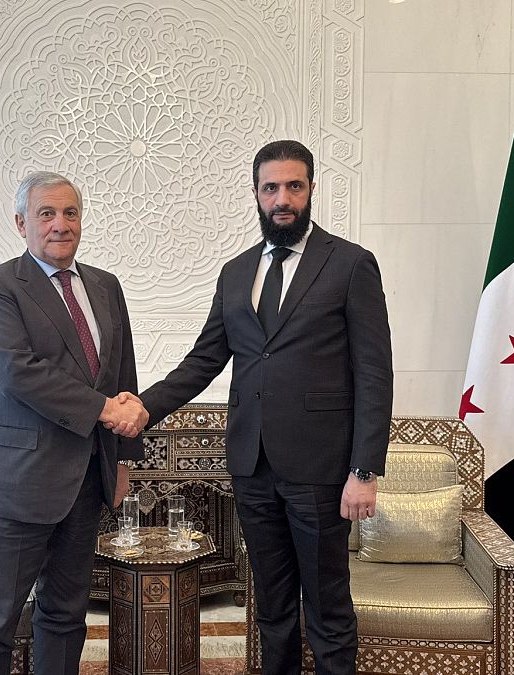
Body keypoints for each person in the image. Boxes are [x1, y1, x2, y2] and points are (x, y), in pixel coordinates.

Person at [138, 140, 392, 675]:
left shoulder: (350, 264)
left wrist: (364, 470)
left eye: (293, 186)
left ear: (311, 190)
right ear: (255, 194)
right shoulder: (236, 272)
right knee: (271, 609)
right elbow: (203, 360)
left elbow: (373, 373)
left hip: (321, 471)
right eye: (271, 187)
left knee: (326, 608)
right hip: (252, 468)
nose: (282, 199)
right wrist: (141, 409)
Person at [0, 171, 149, 675]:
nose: (60, 225)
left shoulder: (106, 286)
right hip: (16, 483)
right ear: (22, 222)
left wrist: (125, 460)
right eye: (46, 214)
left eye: (70, 213)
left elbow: (122, 373)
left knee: (67, 616)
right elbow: (16, 371)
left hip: (87, 481)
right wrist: (103, 409)